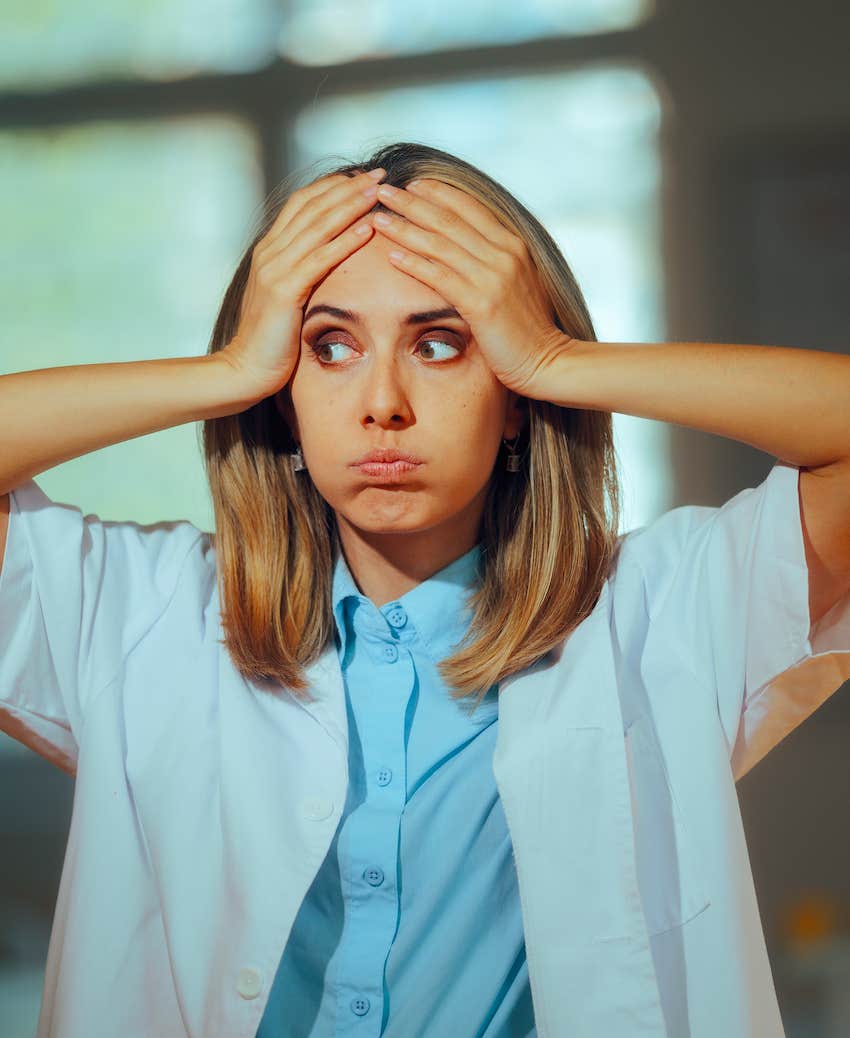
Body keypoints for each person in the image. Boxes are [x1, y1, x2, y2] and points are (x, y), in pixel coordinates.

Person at [1, 140, 849, 1038]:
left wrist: (558, 361)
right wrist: (228, 373)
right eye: (329, 346)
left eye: (440, 343)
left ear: (511, 389)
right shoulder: (142, 612)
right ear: (284, 394)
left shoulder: (664, 610)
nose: (383, 403)